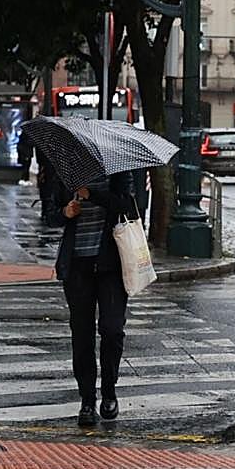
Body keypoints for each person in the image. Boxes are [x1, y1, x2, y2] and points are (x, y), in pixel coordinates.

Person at [44, 170, 136, 426]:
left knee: (112, 329)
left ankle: (109, 391)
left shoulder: (118, 169)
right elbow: (49, 214)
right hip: (77, 267)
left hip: (111, 266)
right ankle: (87, 400)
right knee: (82, 334)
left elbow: (126, 205)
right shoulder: (64, 172)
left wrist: (92, 194)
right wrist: (65, 212)